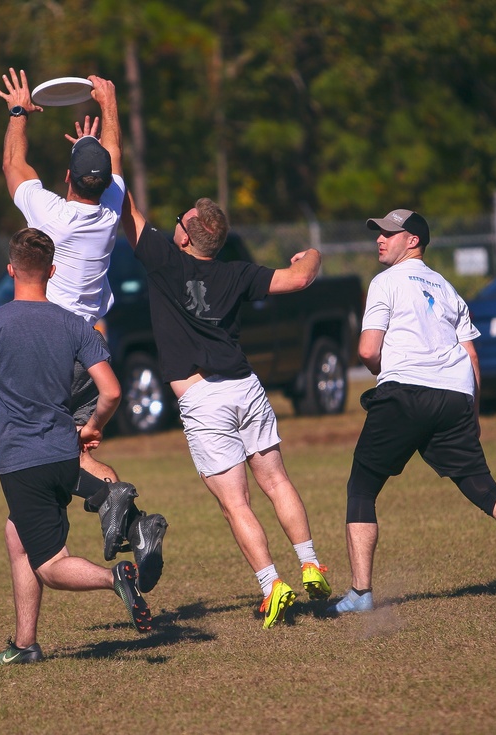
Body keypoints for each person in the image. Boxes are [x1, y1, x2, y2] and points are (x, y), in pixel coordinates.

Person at [328, 209, 496, 615]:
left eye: (390, 233)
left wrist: (383, 370)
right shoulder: (449, 290)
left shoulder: (385, 283)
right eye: (378, 233)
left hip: (405, 393)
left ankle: (361, 594)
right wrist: (472, 413)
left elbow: (368, 350)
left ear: (414, 240)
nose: (380, 239)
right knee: (485, 489)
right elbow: (471, 354)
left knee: (362, 488)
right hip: (455, 398)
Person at [121, 193, 332, 629]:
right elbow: (299, 279)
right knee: (276, 481)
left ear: (187, 231)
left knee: (236, 504)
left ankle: (273, 586)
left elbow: (126, 208)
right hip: (246, 387)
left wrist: (104, 143)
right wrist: (312, 254)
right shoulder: (238, 273)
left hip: (203, 399)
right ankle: (311, 565)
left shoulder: (164, 260)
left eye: (179, 218)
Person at [0, 228, 152, 664]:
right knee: (16, 536)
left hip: (23, 462)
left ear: (10, 269)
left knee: (52, 565)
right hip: (64, 456)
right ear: (52, 271)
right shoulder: (74, 325)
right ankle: (25, 645)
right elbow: (112, 391)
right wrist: (92, 426)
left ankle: (115, 577)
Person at [0, 68, 165, 591]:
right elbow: (109, 161)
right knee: (80, 455)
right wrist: (108, 105)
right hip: (93, 346)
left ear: (68, 179)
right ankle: (139, 526)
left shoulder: (53, 215)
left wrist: (20, 111)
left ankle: (109, 517)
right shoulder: (111, 206)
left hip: (53, 350)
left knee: (50, 459)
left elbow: (12, 164)